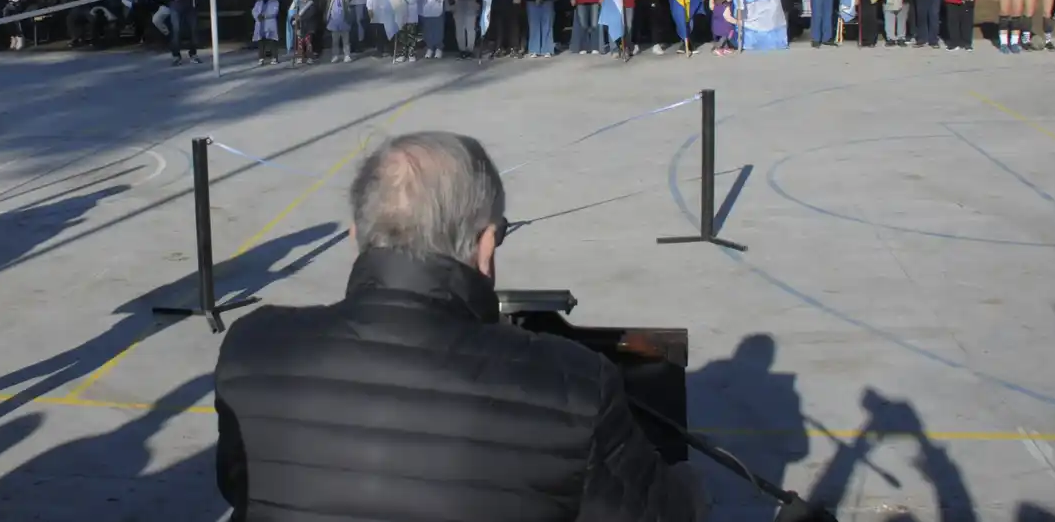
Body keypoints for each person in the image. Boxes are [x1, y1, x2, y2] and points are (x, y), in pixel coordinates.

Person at [213, 132, 708, 522]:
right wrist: (688, 484)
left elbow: (241, 489)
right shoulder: (575, 385)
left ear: (355, 237)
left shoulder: (253, 348)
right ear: (486, 245)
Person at [252, 0, 281, 64]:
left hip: (269, 23)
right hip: (260, 23)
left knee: (272, 41)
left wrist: (265, 15)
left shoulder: (274, 1)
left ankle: (274, 57)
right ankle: (261, 58)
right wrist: (257, 16)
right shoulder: (258, 2)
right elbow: (254, 11)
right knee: (261, 41)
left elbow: (274, 11)